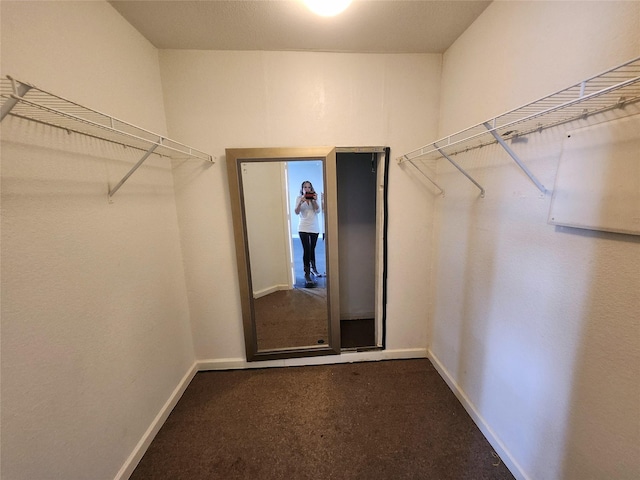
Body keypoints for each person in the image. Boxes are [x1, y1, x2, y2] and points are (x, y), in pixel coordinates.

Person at [294, 180, 323, 286]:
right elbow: (296, 212)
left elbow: (318, 210)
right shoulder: (298, 198)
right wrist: (301, 202)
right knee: (306, 249)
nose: (307, 189)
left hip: (314, 227)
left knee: (312, 249)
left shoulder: (314, 197)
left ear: (311, 189)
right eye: (305, 187)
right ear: (302, 189)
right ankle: (307, 273)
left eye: (309, 187)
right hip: (303, 227)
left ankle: (313, 269)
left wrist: (314, 200)